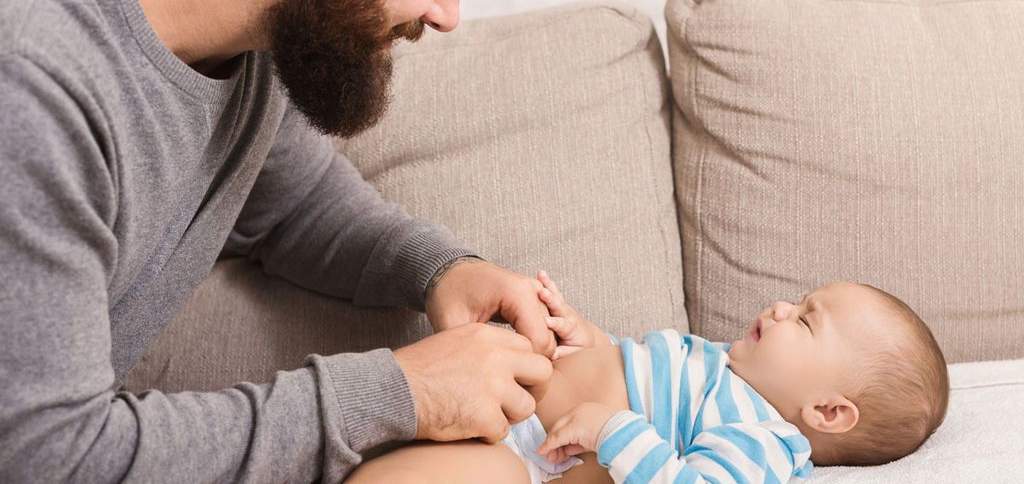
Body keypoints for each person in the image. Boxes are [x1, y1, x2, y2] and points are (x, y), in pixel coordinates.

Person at [0, 0, 564, 481]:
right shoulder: (28, 72)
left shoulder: (256, 31)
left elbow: (293, 202)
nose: (448, 15)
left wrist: (439, 271)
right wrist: (401, 395)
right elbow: (48, 458)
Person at [347, 279, 951, 483]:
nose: (782, 308)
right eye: (800, 301)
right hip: (506, 403)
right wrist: (588, 338)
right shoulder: (720, 364)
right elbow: (632, 370)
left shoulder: (762, 438)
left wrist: (613, 430)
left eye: (808, 322)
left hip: (530, 461)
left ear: (827, 412)